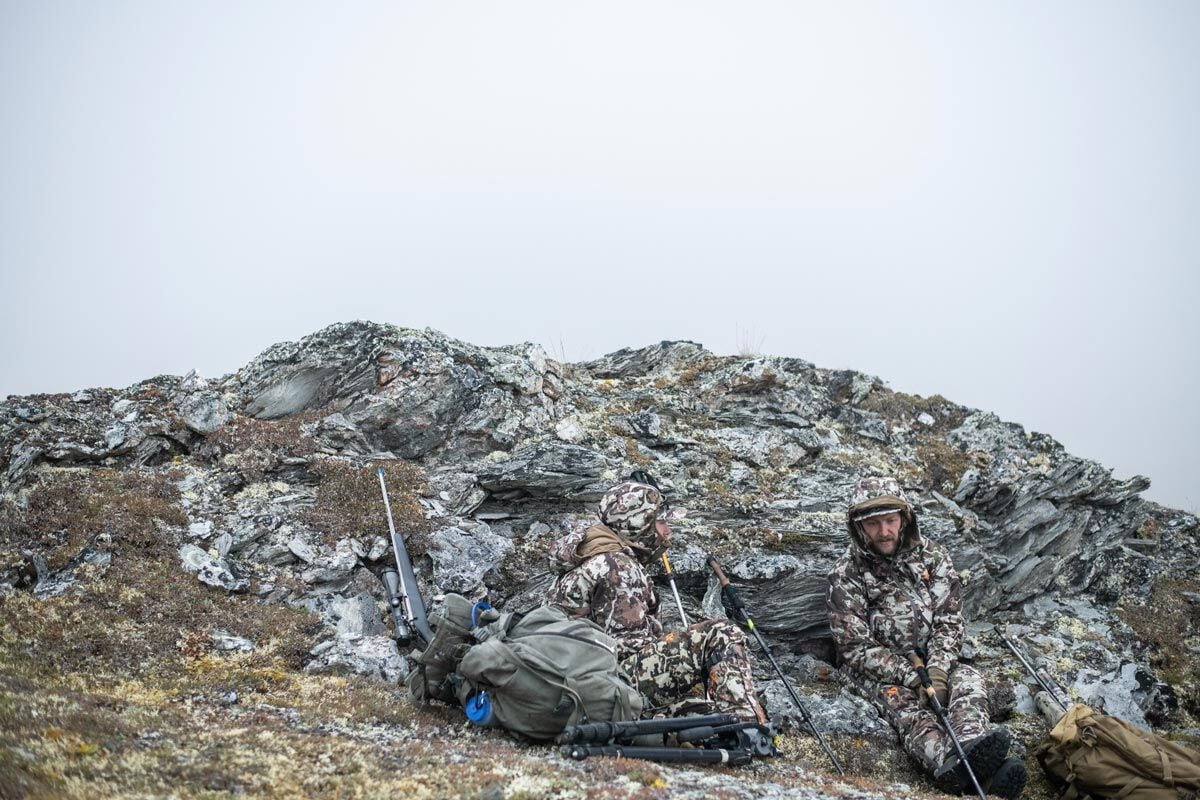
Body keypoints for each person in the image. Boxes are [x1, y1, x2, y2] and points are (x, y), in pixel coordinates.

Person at [826, 476, 1028, 798]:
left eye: (891, 521)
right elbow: (854, 647)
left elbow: (949, 620)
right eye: (874, 524)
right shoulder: (846, 573)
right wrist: (912, 677)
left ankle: (971, 751)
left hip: (934, 661)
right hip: (877, 672)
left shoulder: (933, 557)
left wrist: (938, 669)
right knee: (906, 709)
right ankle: (948, 765)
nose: (884, 532)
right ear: (858, 526)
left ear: (904, 518)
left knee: (969, 682)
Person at [548, 478, 767, 725]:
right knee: (721, 633)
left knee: (691, 653)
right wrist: (684, 649)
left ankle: (704, 719)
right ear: (639, 525)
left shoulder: (593, 555)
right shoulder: (618, 567)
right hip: (605, 685)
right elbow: (629, 648)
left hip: (578, 682)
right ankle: (746, 727)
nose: (667, 531)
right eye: (661, 522)